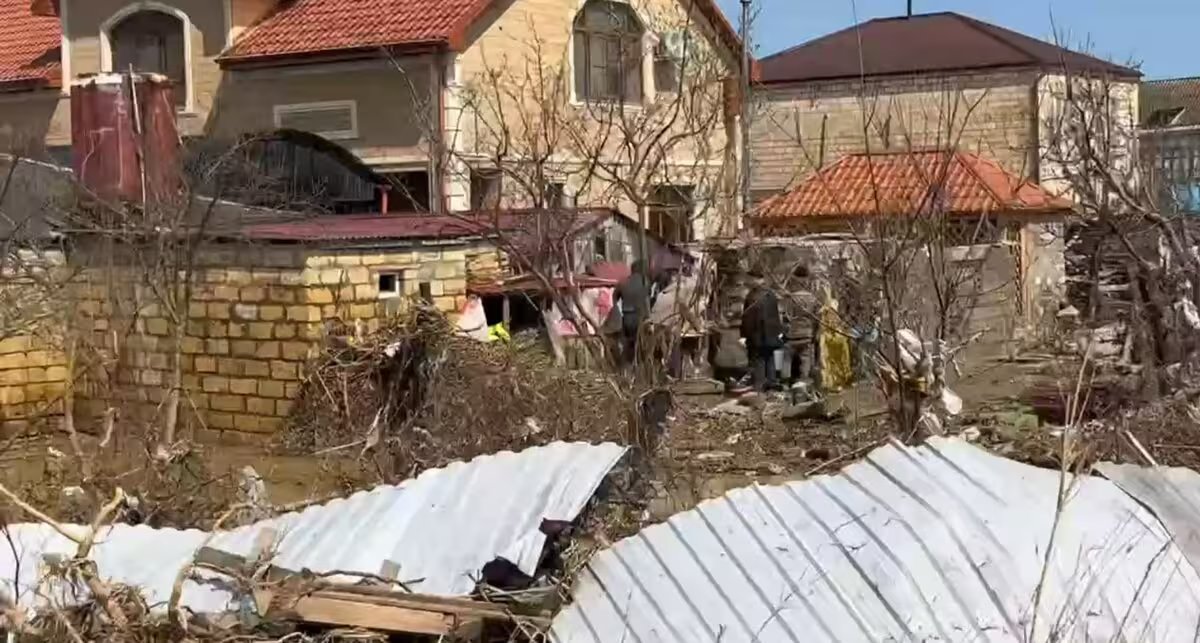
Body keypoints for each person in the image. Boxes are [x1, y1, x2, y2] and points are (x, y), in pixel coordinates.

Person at [740, 269, 783, 391]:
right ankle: (772, 386)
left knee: (758, 361)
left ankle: (759, 388)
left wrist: (744, 335)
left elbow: (748, 318)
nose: (749, 281)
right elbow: (775, 315)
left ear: (755, 279)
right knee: (770, 360)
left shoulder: (752, 296)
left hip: (757, 335)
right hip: (771, 335)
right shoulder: (771, 294)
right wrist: (777, 332)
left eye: (750, 278)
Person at [781, 265, 818, 384]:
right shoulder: (812, 298)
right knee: (805, 358)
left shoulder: (791, 298)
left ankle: (785, 380)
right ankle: (803, 381)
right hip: (807, 333)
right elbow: (815, 317)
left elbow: (786, 316)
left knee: (787, 358)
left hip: (793, 333)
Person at [615, 260, 652, 366]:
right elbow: (646, 301)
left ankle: (626, 367)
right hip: (640, 317)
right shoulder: (645, 281)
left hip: (626, 316)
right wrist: (649, 318)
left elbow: (614, 299)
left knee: (629, 344)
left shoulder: (623, 282)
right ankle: (640, 367)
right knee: (641, 345)